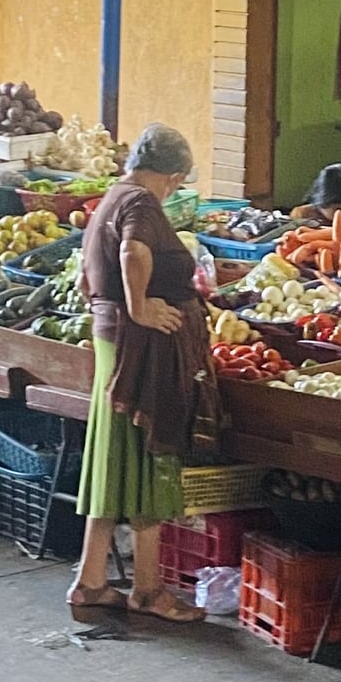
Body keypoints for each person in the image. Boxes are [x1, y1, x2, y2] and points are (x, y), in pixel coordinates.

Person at [67, 123, 209, 625]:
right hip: (141, 349)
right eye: (179, 181)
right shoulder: (143, 204)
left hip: (114, 344)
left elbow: (86, 276)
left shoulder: (112, 196)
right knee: (153, 454)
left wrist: (114, 308)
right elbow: (133, 252)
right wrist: (140, 306)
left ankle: (91, 581)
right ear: (172, 175)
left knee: (113, 457)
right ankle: (148, 590)